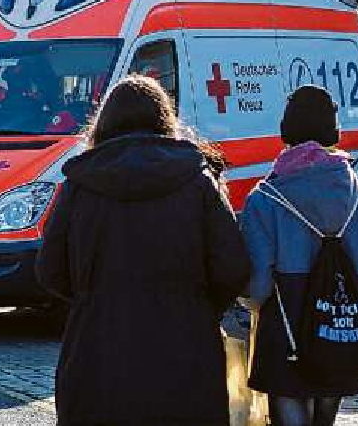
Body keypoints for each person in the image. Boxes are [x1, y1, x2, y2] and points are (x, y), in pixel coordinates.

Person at [36, 75, 251, 426]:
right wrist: (197, 304)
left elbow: (49, 269)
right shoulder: (197, 180)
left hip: (97, 350)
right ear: (166, 121)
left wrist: (93, 296)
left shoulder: (80, 185)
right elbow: (233, 267)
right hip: (186, 348)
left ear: (104, 123)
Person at [240, 85, 358, 426]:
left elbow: (258, 287)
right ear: (333, 130)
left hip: (286, 339)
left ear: (285, 129)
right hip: (340, 336)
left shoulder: (265, 199)